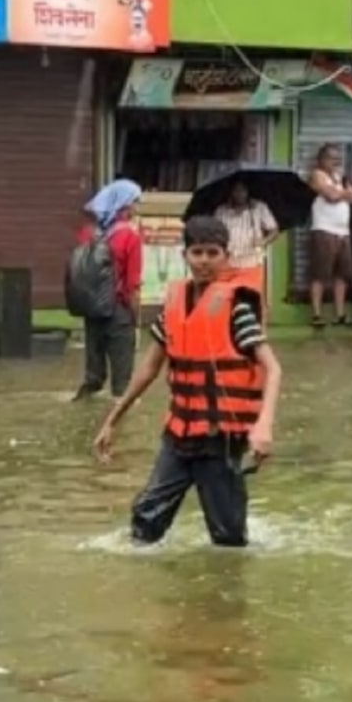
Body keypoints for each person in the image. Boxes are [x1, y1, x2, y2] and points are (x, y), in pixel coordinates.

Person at [93, 214, 283, 550]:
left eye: (213, 253)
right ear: (185, 256)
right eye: (197, 252)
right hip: (179, 434)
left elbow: (273, 368)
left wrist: (263, 426)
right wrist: (113, 420)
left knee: (226, 540)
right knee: (146, 518)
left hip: (220, 438)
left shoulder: (237, 307)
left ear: (226, 256)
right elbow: (149, 369)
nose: (205, 261)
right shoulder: (174, 307)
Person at [71, 180, 143, 400]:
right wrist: (136, 319)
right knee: (123, 385)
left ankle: (82, 406)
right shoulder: (130, 237)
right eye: (136, 201)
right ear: (125, 204)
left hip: (92, 311)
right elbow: (132, 285)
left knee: (93, 377)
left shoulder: (87, 234)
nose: (138, 206)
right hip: (118, 312)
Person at [306, 144, 352, 329]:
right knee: (319, 274)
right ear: (321, 159)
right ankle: (317, 314)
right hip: (324, 230)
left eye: (337, 158)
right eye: (330, 157)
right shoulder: (317, 175)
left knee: (342, 275)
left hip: (343, 232)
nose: (334, 162)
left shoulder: (339, 177)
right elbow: (330, 196)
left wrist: (341, 193)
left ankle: (340, 314)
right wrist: (344, 194)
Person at [214, 178, 277, 296]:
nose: (239, 194)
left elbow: (274, 230)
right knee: (224, 298)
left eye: (242, 190)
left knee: (250, 298)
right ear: (230, 192)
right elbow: (214, 234)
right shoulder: (221, 211)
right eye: (236, 190)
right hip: (226, 263)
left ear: (248, 191)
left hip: (251, 262)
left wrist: (263, 241)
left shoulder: (259, 208)